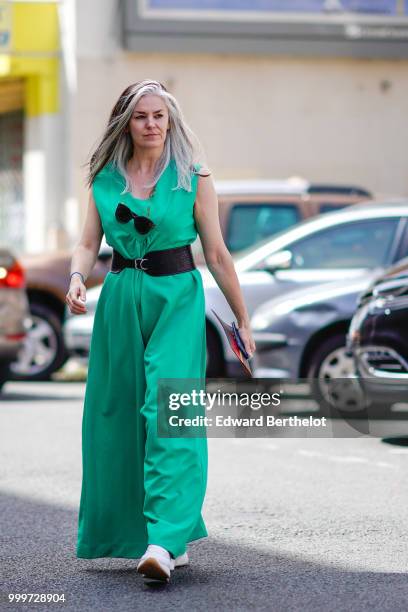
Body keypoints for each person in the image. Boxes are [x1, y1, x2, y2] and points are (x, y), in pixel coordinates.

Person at [66, 79, 256, 584]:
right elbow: (88, 243)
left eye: (159, 116)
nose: (151, 124)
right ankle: (163, 531)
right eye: (140, 116)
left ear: (170, 122)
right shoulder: (104, 177)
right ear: (124, 123)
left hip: (177, 298)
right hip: (121, 297)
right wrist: (77, 278)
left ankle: (163, 542)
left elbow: (216, 253)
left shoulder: (193, 175)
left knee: (169, 410)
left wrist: (242, 317)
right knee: (120, 414)